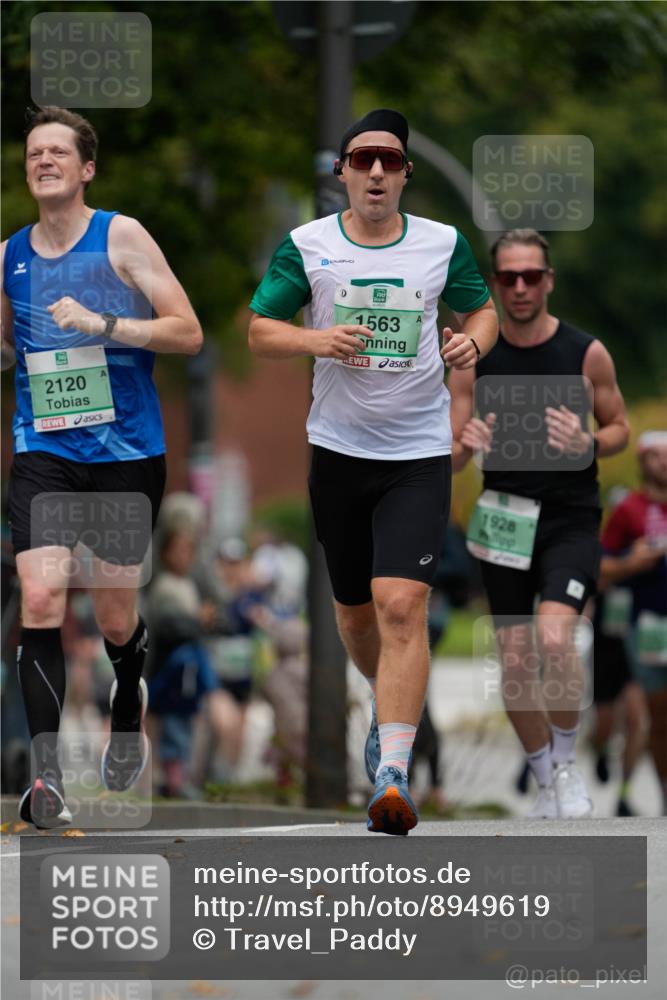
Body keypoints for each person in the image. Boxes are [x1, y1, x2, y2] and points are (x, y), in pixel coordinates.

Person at [248, 108, 498, 835]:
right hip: (338, 451)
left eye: (390, 160)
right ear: (344, 173)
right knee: (356, 613)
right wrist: (317, 339)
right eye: (363, 160)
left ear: (406, 172)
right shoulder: (307, 245)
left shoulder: (440, 244)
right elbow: (260, 330)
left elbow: (478, 313)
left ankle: (392, 772)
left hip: (416, 455)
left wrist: (470, 347)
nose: (377, 172)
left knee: (400, 606)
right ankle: (379, 696)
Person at [1, 107, 202, 828]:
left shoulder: (120, 236)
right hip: (45, 452)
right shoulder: (8, 256)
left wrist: (104, 325)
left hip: (125, 455)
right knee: (43, 602)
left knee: (116, 619)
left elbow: (188, 331)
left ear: (87, 169)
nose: (44, 160)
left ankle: (127, 699)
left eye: (58, 151)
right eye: (33, 153)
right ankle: (46, 778)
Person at [449, 227, 629, 819]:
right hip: (503, 519)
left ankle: (570, 766)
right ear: (495, 283)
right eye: (508, 277)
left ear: (548, 281)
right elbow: (450, 449)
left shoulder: (584, 352)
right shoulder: (476, 357)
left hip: (569, 519)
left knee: (557, 637)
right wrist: (466, 444)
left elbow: (619, 428)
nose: (520, 287)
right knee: (517, 657)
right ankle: (543, 776)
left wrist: (588, 440)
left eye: (531, 276)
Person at [598, 431, 667, 815]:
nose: (665, 462)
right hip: (647, 627)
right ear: (643, 461)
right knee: (657, 717)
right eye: (657, 455)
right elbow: (599, 569)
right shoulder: (629, 511)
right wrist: (630, 563)